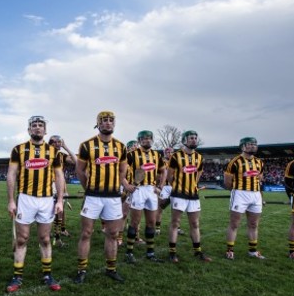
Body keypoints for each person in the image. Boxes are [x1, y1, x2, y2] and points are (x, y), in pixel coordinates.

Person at [6, 116, 65, 292]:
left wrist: (60, 200)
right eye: (34, 125)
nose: (37, 128)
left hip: (47, 200)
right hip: (26, 199)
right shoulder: (19, 149)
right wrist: (10, 200)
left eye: (41, 125)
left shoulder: (53, 152)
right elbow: (11, 174)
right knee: (22, 238)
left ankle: (47, 274)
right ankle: (17, 277)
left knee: (45, 238)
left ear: (45, 130)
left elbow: (59, 176)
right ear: (29, 130)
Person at [74, 111, 127, 284]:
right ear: (98, 123)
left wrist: (116, 187)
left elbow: (122, 170)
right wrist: (88, 188)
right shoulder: (87, 145)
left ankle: (111, 269)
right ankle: (81, 270)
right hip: (93, 196)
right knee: (86, 233)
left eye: (111, 120)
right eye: (104, 120)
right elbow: (80, 170)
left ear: (114, 124)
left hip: (113, 197)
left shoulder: (121, 146)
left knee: (112, 233)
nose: (108, 123)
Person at [159, 130, 211, 263]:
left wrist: (193, 184)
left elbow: (198, 173)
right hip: (179, 194)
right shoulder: (176, 156)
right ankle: (172, 252)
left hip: (193, 195)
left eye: (195, 138)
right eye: (191, 138)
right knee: (175, 223)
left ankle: (197, 251)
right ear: (184, 140)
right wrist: (178, 186)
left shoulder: (199, 157)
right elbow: (170, 176)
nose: (194, 140)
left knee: (194, 223)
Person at [123, 130, 166, 263]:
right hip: (138, 189)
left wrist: (160, 186)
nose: (147, 140)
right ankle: (129, 253)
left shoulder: (156, 155)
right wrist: (126, 185)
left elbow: (163, 171)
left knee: (151, 222)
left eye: (149, 138)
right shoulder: (131, 154)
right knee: (135, 222)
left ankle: (150, 252)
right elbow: (120, 170)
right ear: (139, 140)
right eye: (144, 139)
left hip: (151, 190)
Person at [224, 137, 266, 260]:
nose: (253, 146)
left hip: (256, 195)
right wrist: (238, 189)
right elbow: (227, 182)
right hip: (240, 194)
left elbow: (260, 180)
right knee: (234, 224)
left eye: (255, 144)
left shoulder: (259, 162)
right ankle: (230, 250)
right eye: (250, 144)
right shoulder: (234, 162)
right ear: (243, 146)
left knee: (253, 224)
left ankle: (253, 251)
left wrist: (261, 197)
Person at [48, 135, 77, 244]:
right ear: (51, 143)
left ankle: (61, 230)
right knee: (51, 209)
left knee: (61, 209)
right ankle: (53, 232)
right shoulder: (45, 152)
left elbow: (76, 161)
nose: (59, 144)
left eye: (60, 142)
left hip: (60, 183)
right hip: (49, 183)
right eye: (57, 142)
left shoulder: (61, 155)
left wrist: (66, 147)